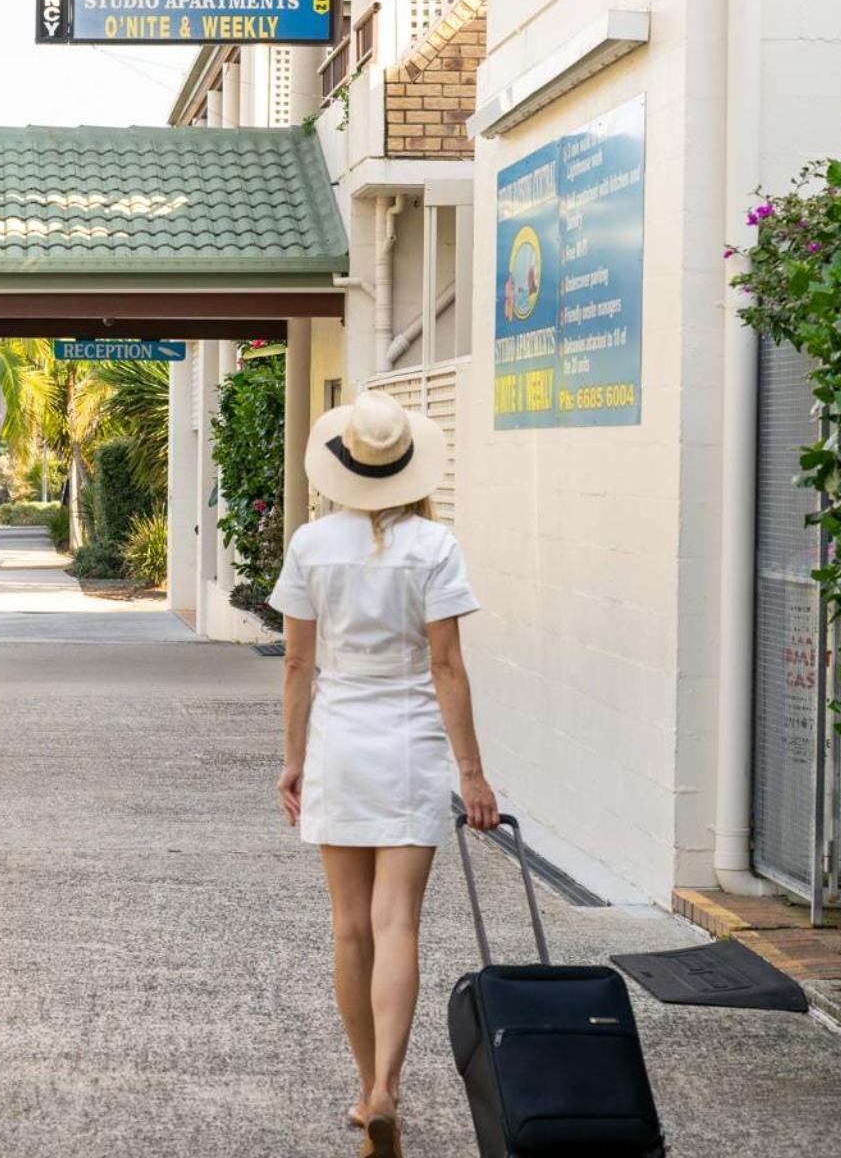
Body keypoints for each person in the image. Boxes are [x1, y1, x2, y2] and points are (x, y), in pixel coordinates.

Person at [267, 390, 499, 1158]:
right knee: (399, 920)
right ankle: (387, 1089)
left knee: (349, 926)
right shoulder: (435, 547)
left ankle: (365, 1089)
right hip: (410, 744)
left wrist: (294, 758)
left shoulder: (309, 545)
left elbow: (299, 663)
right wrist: (473, 775)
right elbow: (446, 665)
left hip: (338, 738)